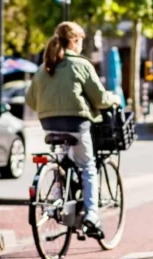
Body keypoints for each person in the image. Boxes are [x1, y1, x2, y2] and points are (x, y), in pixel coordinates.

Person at [26, 22, 119, 238]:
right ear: (75, 41)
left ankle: (60, 200)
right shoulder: (81, 65)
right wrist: (114, 99)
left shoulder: (44, 68)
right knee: (87, 165)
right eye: (81, 42)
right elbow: (100, 98)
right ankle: (92, 215)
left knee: (62, 162)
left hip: (49, 125)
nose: (81, 47)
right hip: (76, 125)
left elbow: (30, 100)